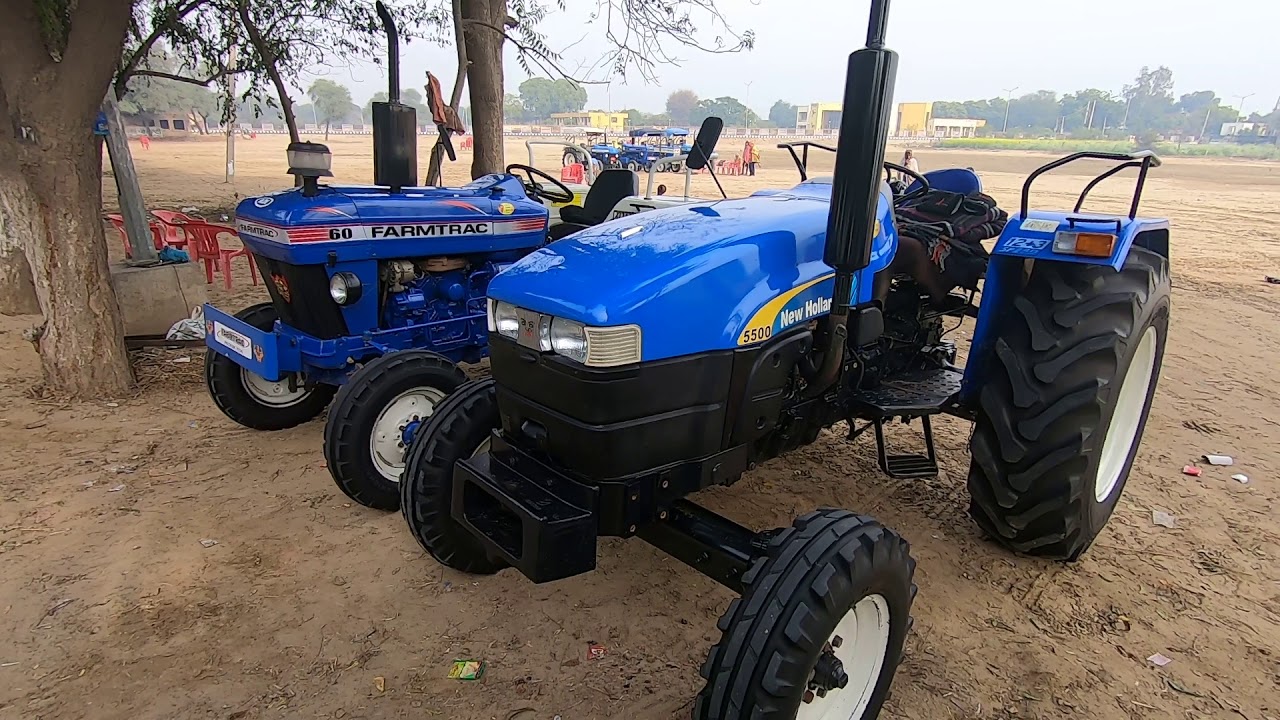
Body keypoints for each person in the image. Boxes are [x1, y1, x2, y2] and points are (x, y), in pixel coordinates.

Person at [877, 187, 1007, 309]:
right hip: (908, 223)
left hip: (923, 233)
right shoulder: (921, 201)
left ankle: (936, 297)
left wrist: (969, 235)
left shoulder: (974, 213)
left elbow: (999, 222)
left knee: (905, 246)